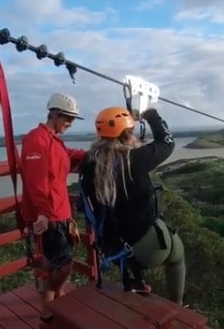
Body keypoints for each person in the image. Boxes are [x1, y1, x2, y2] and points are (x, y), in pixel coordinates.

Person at [79, 106, 186, 306]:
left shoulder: (89, 163)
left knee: (123, 224)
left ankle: (134, 281)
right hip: (145, 248)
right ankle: (177, 306)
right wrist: (152, 116)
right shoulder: (134, 159)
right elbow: (167, 142)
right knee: (177, 256)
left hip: (113, 248)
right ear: (127, 134)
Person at [20, 92, 87, 329]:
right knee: (62, 266)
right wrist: (43, 214)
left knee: (55, 265)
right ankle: (48, 315)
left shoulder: (52, 139)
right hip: (50, 217)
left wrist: (92, 155)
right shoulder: (37, 140)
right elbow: (36, 182)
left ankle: (52, 309)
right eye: (67, 118)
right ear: (55, 114)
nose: (69, 123)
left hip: (59, 213)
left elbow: (65, 157)